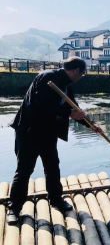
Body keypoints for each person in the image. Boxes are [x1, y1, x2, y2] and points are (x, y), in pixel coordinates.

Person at [6, 56, 103, 224]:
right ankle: (14, 208)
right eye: (82, 74)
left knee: (52, 166)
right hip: (29, 131)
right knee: (24, 170)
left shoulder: (66, 86)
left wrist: (92, 125)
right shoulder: (47, 77)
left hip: (48, 133)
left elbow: (74, 109)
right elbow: (41, 106)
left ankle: (56, 199)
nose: (81, 77)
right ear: (75, 71)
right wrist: (69, 113)